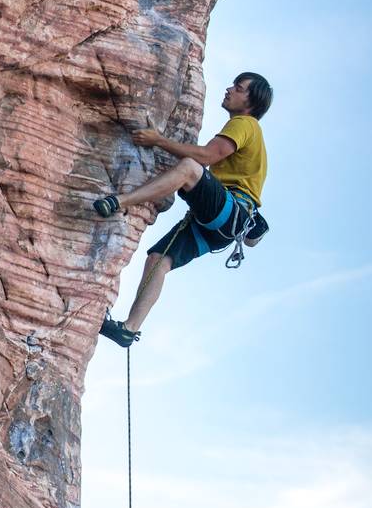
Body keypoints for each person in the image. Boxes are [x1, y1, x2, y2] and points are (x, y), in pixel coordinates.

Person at [94, 72, 273, 348]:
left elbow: (207, 157)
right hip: (221, 228)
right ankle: (128, 330)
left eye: (237, 88)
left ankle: (120, 201)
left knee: (191, 168)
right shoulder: (246, 127)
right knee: (158, 260)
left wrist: (158, 140)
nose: (228, 89)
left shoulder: (245, 123)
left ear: (251, 101)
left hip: (231, 211)